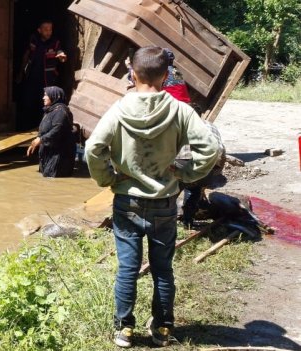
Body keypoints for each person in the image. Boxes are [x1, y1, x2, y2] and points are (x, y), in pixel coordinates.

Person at [84, 46, 221, 348]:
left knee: (128, 269)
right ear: (165, 75)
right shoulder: (180, 110)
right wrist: (184, 173)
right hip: (164, 203)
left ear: (132, 72)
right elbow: (211, 148)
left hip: (127, 202)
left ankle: (124, 330)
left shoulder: (118, 110)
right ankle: (162, 329)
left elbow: (93, 148)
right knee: (163, 269)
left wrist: (108, 178)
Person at [17, 20, 67, 131]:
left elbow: (59, 52)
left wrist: (61, 56)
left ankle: (43, 129)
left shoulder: (55, 42)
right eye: (45, 29)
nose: (48, 32)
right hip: (32, 79)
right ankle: (26, 128)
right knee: (29, 103)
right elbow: (26, 55)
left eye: (50, 29)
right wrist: (21, 72)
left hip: (47, 81)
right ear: (39, 30)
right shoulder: (34, 40)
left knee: (45, 105)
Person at [179, 121, 226, 227]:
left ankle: (167, 220)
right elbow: (221, 153)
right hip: (209, 161)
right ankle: (188, 221)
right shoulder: (210, 126)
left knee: (177, 188)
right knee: (195, 190)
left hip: (189, 157)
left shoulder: (187, 126)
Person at [26, 86, 76, 177]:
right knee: (46, 177)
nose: (43, 98)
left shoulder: (61, 112)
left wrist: (41, 140)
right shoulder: (49, 111)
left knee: (53, 179)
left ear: (54, 96)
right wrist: (37, 138)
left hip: (59, 155)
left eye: (46, 95)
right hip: (48, 152)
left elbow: (57, 130)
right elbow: (43, 128)